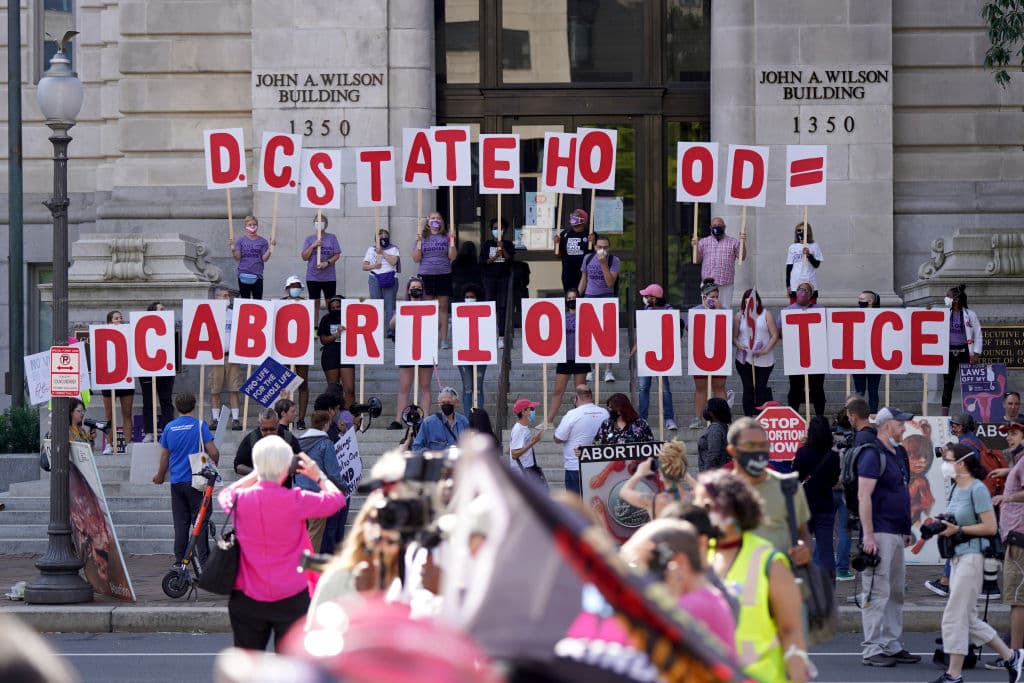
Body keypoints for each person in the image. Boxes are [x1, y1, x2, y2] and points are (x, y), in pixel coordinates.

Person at [219, 436, 344, 652]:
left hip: (247, 596)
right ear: (287, 467)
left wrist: (259, 471)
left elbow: (225, 494)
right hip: (292, 594)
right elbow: (337, 499)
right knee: (291, 667)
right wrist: (318, 474)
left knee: (247, 667)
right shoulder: (296, 499)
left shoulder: (240, 500)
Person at [695, 470, 810, 682]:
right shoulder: (699, 557)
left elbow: (791, 631)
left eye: (710, 506)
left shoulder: (770, 562)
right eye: (701, 507)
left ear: (735, 509)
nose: (704, 513)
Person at [933, 444, 1024, 683]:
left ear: (961, 463)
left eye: (948, 460)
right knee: (969, 618)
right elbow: (955, 520)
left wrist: (959, 529)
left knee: (954, 617)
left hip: (972, 558)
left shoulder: (977, 489)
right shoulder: (956, 489)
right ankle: (1011, 657)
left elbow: (990, 526)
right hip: (956, 558)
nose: (945, 465)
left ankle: (953, 674)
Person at [856, 406, 920, 668]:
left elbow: (901, 492)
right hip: (880, 532)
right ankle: (872, 648)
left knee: (895, 591)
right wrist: (868, 535)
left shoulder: (897, 453)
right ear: (886, 426)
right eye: (900, 423)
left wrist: (905, 528)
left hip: (894, 531)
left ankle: (891, 643)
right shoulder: (873, 454)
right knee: (877, 589)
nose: (904, 427)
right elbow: (864, 496)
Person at [619, 518, 736, 656]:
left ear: (679, 563)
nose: (639, 580)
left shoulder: (694, 607)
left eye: (643, 568)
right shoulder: (707, 600)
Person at [727, 417, 812, 561]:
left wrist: (804, 550)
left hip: (781, 577)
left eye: (763, 445)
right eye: (750, 446)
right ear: (732, 450)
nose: (758, 451)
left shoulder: (789, 488)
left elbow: (803, 533)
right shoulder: (716, 491)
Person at [151, 392, 219, 565]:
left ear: (176, 407)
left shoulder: (169, 428)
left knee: (180, 524)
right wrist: (212, 466)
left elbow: (165, 455)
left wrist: (159, 475)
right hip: (197, 482)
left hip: (177, 482)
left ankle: (180, 560)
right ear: (194, 405)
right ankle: (203, 560)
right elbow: (213, 452)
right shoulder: (200, 426)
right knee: (200, 522)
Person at [793, 415, 839, 577]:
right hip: (825, 504)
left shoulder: (803, 453)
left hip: (805, 505)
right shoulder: (832, 456)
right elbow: (834, 480)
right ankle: (828, 587)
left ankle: (802, 582)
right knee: (826, 549)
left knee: (801, 545)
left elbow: (795, 477)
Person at [388, 277, 435, 429]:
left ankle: (426, 419)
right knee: (404, 387)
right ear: (408, 291)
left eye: (418, 287)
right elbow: (392, 325)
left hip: (425, 348)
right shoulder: (402, 307)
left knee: (425, 386)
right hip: (407, 348)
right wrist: (404, 310)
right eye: (412, 287)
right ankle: (398, 419)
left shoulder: (429, 306)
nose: (415, 289)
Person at [994, 424, 1024, 662]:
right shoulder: (1019, 461)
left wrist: (1008, 497)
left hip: (1019, 537)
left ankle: (1015, 655)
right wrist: (1008, 471)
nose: (1009, 437)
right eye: (1008, 433)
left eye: (1014, 433)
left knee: (1017, 599)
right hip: (1015, 536)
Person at [296, 410, 345, 552]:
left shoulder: (299, 442)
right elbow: (333, 473)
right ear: (326, 424)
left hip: (298, 493)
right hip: (317, 495)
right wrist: (343, 486)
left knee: (301, 534)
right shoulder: (325, 443)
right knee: (314, 535)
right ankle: (307, 569)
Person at [543, 288, 589, 427]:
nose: (571, 301)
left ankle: (580, 421)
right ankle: (548, 421)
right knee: (558, 390)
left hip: (581, 357)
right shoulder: (561, 316)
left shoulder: (585, 316)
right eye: (568, 298)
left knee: (579, 391)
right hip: (564, 357)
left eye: (574, 298)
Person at [553, 384, 609, 496]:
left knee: (576, 506)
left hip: (575, 466)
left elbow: (558, 438)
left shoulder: (572, 414)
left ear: (576, 398)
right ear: (590, 396)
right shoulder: (604, 413)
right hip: (598, 464)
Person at [413, 211, 458, 349]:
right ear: (427, 220)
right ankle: (430, 338)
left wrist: (452, 241)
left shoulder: (446, 237)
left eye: (438, 218)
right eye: (433, 218)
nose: (435, 220)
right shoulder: (422, 238)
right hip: (426, 275)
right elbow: (416, 258)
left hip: (443, 274)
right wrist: (419, 244)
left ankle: (444, 339)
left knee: (443, 308)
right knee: (428, 308)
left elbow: (453, 257)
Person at [636, 283, 677, 430]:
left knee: (665, 387)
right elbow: (643, 329)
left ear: (654, 298)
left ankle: (669, 418)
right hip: (647, 353)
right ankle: (642, 419)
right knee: (643, 388)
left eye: (647, 296)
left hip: (663, 353)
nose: (645, 299)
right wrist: (637, 345)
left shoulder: (668, 310)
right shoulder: (647, 309)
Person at [734, 287, 779, 417]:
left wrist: (764, 350)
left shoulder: (766, 314)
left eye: (753, 301)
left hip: (765, 360)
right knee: (748, 388)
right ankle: (748, 417)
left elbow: (774, 335)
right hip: (744, 359)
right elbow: (734, 336)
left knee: (760, 388)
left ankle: (761, 416)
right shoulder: (739, 316)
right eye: (747, 302)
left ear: (758, 301)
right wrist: (738, 344)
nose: (750, 305)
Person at [689, 279, 727, 429]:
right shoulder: (695, 311)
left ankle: (723, 418)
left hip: (718, 352)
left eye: (717, 296)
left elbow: (727, 330)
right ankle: (698, 417)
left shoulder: (723, 311)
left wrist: (718, 312)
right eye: (712, 297)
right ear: (704, 298)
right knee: (701, 387)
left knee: (719, 386)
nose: (715, 300)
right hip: (700, 353)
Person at [784, 281, 826, 418]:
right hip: (796, 355)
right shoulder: (788, 310)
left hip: (816, 355)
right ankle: (794, 416)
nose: (803, 292)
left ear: (811, 294)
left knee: (817, 388)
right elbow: (779, 332)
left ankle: (819, 416)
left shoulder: (819, 309)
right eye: (800, 289)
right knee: (795, 388)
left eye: (806, 290)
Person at [620, 440, 693, 517]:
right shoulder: (693, 498)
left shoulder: (653, 501)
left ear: (661, 474)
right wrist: (687, 476)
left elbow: (624, 492)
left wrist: (638, 474)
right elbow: (704, 490)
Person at [941, 284, 983, 416]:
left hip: (965, 351)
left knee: (968, 383)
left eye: (948, 296)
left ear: (956, 299)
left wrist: (976, 353)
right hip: (948, 352)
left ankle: (972, 413)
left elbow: (978, 333)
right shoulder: (944, 313)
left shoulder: (970, 314)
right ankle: (944, 415)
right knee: (948, 384)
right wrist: (928, 310)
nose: (946, 298)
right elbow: (931, 321)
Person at [139, 302, 175, 442]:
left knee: (166, 400)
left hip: (165, 369)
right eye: (160, 309)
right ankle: (149, 431)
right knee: (148, 401)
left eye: (164, 309)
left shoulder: (168, 327)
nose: (163, 311)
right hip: (146, 369)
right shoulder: (142, 327)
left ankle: (168, 431)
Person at [208, 286, 243, 431]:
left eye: (228, 296)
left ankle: (235, 419)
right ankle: (215, 419)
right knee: (215, 389)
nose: (227, 298)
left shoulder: (233, 314)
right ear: (216, 298)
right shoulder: (210, 315)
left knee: (234, 388)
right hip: (216, 356)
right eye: (224, 296)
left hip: (231, 355)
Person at [233, 408, 301, 477]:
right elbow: (238, 466)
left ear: (278, 424)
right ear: (260, 425)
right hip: (259, 485)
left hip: (283, 485)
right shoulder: (251, 438)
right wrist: (259, 474)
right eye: (264, 430)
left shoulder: (288, 437)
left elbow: (301, 462)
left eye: (272, 429)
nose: (269, 433)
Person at [101, 309, 134, 452]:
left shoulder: (128, 335)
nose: (119, 320)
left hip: (125, 377)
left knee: (127, 413)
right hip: (109, 378)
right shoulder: (102, 337)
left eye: (120, 318)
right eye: (115, 318)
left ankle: (128, 444)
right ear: (109, 322)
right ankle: (109, 444)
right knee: (109, 415)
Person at [692, 216, 742, 308]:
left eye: (719, 225)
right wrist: (694, 247)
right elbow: (696, 260)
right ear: (710, 227)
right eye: (714, 225)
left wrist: (743, 242)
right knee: (707, 309)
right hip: (708, 284)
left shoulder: (733, 242)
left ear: (724, 227)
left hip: (725, 283)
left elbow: (741, 257)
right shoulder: (703, 242)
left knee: (725, 309)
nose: (717, 227)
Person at [281, 276, 311, 429]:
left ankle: (301, 418)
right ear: (287, 288)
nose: (295, 288)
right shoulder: (280, 303)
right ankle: (284, 416)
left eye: (298, 285)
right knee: (284, 384)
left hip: (301, 347)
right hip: (283, 346)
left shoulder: (307, 305)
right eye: (292, 285)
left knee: (303, 383)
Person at [317, 295, 355, 410]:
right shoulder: (326, 319)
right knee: (333, 390)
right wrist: (336, 335)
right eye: (332, 307)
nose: (335, 309)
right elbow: (323, 340)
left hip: (347, 354)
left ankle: (348, 416)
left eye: (338, 306)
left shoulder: (350, 318)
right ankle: (334, 417)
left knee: (349, 389)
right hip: (330, 355)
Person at [480, 217, 514, 344]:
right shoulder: (487, 244)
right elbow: (484, 262)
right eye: (494, 228)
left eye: (500, 228)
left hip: (503, 278)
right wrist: (495, 256)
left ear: (504, 230)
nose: (497, 231)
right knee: (490, 304)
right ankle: (489, 333)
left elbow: (510, 259)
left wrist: (503, 249)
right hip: (489, 279)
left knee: (502, 306)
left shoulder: (508, 244)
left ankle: (501, 336)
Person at [300, 214, 342, 320]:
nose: (320, 224)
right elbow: (304, 257)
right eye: (317, 221)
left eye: (322, 221)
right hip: (313, 277)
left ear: (326, 224)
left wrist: (327, 263)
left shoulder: (332, 238)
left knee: (331, 303)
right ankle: (315, 330)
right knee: (315, 304)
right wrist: (312, 246)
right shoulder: (309, 239)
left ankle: (331, 326)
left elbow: (337, 254)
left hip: (329, 277)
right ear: (314, 224)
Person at [362, 227, 401, 334]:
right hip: (374, 277)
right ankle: (377, 329)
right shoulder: (371, 250)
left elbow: (393, 262)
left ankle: (390, 330)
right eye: (380, 237)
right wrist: (374, 265)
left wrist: (382, 252)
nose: (383, 239)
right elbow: (364, 266)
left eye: (385, 237)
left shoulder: (394, 249)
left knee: (389, 305)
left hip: (390, 277)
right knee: (376, 304)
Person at [457, 284, 488, 411]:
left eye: (472, 297)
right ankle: (467, 419)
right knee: (468, 388)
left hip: (480, 354)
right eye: (467, 297)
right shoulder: (458, 314)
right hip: (464, 355)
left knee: (478, 388)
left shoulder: (485, 315)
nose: (469, 299)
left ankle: (479, 418)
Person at [411, 387, 469, 454]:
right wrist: (432, 454)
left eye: (449, 402)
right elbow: (416, 447)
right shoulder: (428, 423)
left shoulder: (463, 421)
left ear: (456, 403)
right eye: (443, 403)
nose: (446, 405)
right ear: (439, 404)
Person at [853, 290, 883, 412]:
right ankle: (859, 415)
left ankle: (873, 415)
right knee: (859, 391)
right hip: (859, 357)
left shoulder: (880, 315)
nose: (859, 302)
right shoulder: (855, 315)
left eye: (862, 299)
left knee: (873, 389)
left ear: (870, 301)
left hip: (875, 358)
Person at [231, 215, 272, 299]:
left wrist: (270, 248)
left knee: (258, 301)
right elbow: (237, 257)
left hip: (257, 276)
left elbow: (264, 258)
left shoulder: (263, 241)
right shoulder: (241, 240)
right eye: (250, 224)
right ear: (246, 226)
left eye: (254, 224)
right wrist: (233, 249)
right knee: (245, 301)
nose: (252, 226)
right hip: (243, 275)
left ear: (257, 226)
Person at [554, 207, 592, 292]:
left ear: (584, 220)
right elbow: (558, 255)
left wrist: (593, 242)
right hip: (568, 272)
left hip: (585, 273)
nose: (573, 217)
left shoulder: (590, 234)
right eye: (573, 215)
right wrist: (556, 244)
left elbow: (597, 253)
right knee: (570, 297)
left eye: (577, 216)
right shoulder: (565, 234)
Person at [509, 398, 546, 485]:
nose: (533, 411)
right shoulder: (519, 429)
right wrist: (533, 442)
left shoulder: (523, 428)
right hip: (521, 471)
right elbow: (514, 454)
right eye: (531, 409)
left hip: (526, 468)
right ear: (524, 412)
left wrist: (532, 440)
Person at [785, 222, 823, 304]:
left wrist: (809, 255)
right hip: (795, 284)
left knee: (811, 310)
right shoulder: (792, 247)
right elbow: (789, 268)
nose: (801, 232)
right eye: (799, 230)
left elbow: (816, 264)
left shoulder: (814, 246)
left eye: (804, 230)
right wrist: (788, 286)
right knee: (794, 311)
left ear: (808, 232)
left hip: (810, 283)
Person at [697, 397, 732, 472]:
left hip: (713, 474)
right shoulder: (723, 426)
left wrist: (706, 474)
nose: (705, 410)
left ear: (713, 412)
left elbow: (713, 454)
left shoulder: (715, 429)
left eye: (707, 408)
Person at [450, 240, 482, 305]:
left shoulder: (456, 262)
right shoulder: (475, 263)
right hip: (472, 289)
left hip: (458, 288)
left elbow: (452, 276)